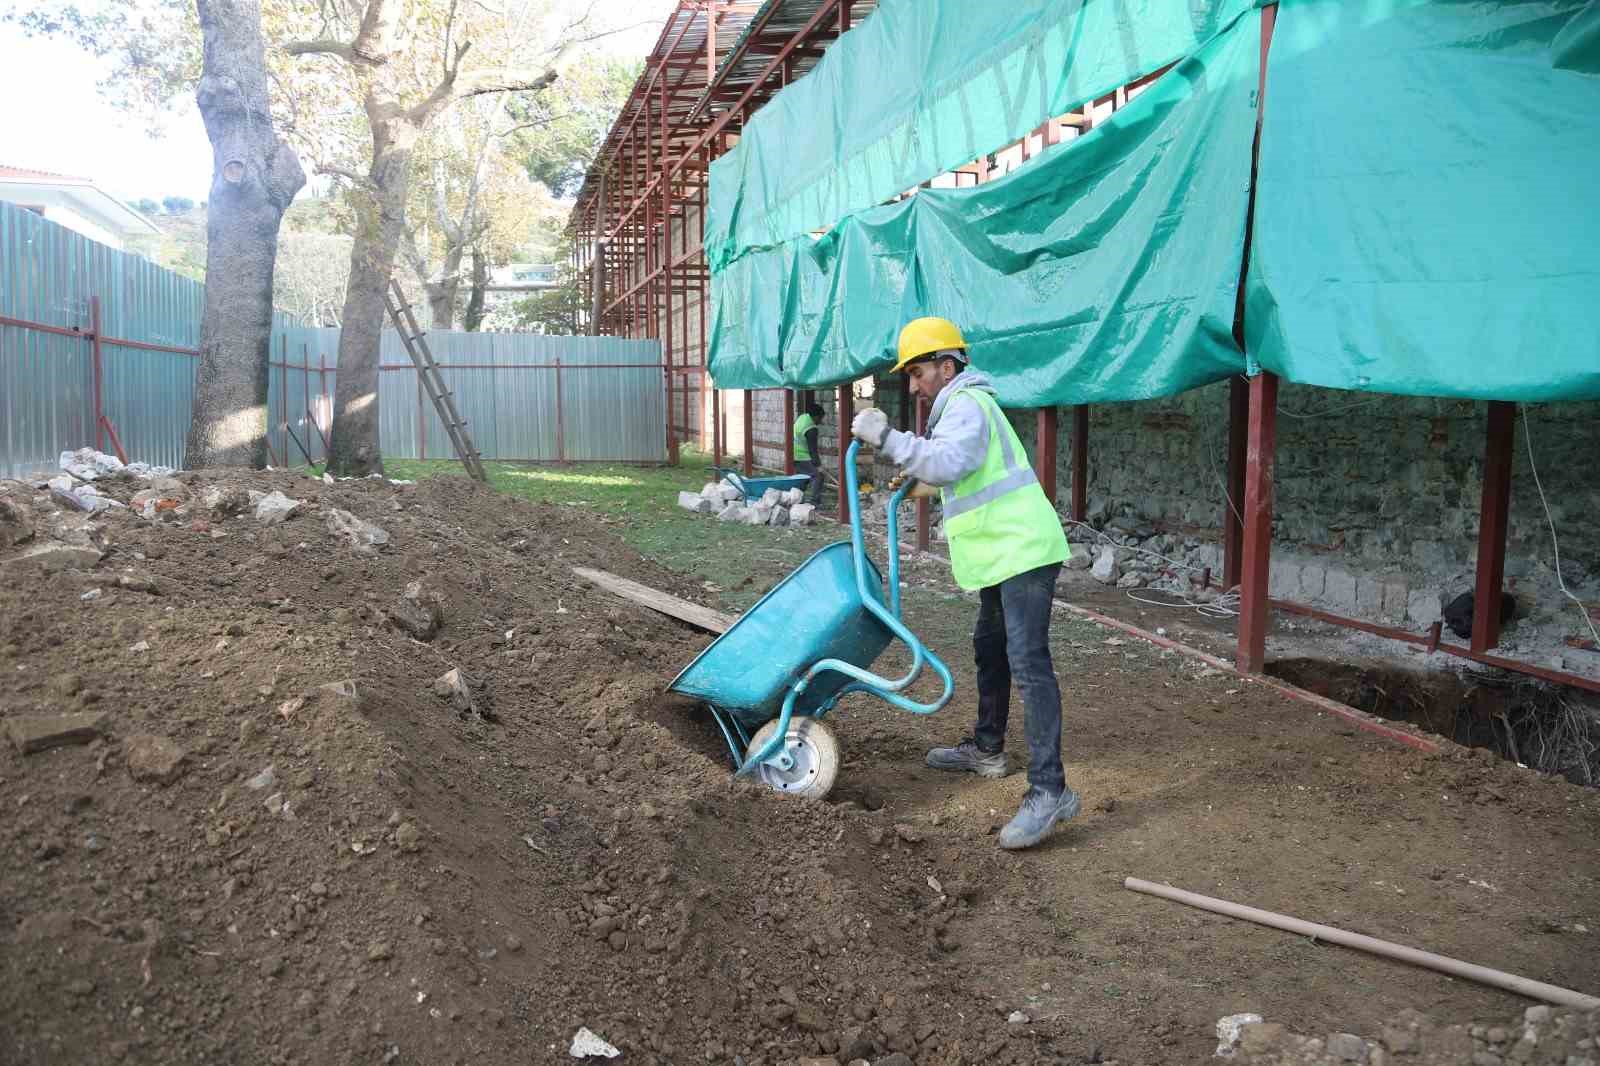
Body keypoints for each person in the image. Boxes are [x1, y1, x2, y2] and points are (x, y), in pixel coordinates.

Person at [850, 316, 1078, 850]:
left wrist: (885, 436)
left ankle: (1051, 791)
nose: (913, 385)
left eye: (917, 373)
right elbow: (965, 474)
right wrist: (920, 482)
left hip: (1023, 550)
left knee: (1028, 663)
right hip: (1002, 555)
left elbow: (953, 461)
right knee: (989, 648)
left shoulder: (969, 406)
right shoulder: (959, 409)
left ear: (946, 366)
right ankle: (988, 749)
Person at [792, 401, 826, 506]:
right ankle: (814, 502)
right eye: (820, 418)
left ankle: (796, 499)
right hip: (803, 456)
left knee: (803, 478)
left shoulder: (802, 417)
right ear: (815, 416)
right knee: (818, 476)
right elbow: (813, 450)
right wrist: (818, 465)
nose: (820, 421)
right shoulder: (811, 429)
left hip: (794, 454)